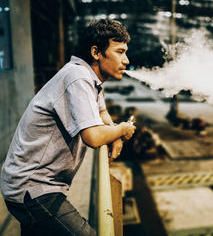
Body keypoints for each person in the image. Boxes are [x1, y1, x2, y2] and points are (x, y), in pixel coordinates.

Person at [0, 19, 135, 236]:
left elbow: (101, 113)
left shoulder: (90, 79)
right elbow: (92, 136)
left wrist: (114, 133)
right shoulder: (78, 77)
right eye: (119, 52)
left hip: (29, 185)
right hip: (34, 189)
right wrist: (123, 129)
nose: (126, 60)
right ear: (96, 52)